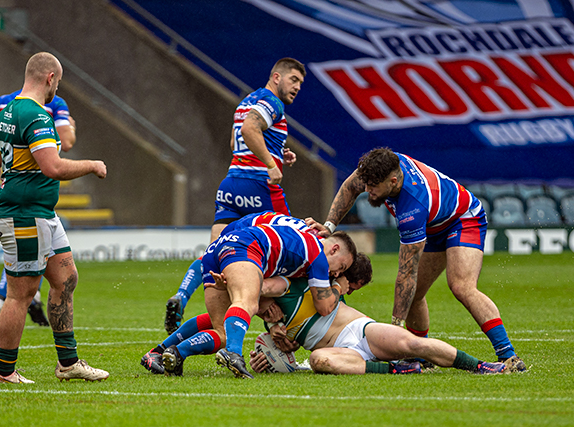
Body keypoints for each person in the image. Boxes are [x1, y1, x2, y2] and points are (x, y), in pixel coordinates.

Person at [309, 147, 525, 372]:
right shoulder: (383, 165)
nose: (367, 190)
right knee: (414, 296)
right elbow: (350, 187)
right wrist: (329, 226)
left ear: (393, 181)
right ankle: (422, 359)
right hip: (433, 223)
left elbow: (406, 273)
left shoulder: (412, 207)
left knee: (461, 286)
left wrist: (394, 328)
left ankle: (508, 355)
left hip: (463, 218)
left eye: (373, 187)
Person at [0, 52, 109, 384]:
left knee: (66, 279)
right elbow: (54, 167)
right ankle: (4, 371)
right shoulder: (36, 115)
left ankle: (68, 363)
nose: (57, 88)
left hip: (40, 214)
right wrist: (92, 165)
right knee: (20, 294)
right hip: (24, 215)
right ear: (50, 78)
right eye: (58, 82)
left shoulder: (6, 112)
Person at [163, 58, 306, 335]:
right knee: (289, 249)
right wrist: (271, 163)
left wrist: (277, 153)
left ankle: (181, 295)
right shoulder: (272, 102)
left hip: (231, 185)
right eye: (293, 80)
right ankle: (282, 327)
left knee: (215, 251)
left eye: (300, 83)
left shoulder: (246, 102)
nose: (297, 87)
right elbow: (249, 130)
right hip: (259, 186)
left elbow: (235, 142)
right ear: (276, 77)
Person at [161, 224, 356, 379]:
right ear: (335, 249)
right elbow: (323, 306)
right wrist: (339, 286)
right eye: (342, 266)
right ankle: (234, 355)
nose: (337, 273)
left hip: (217, 250)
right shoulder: (318, 256)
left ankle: (167, 352)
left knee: (222, 331)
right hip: (246, 246)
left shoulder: (301, 233)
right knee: (247, 303)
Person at [248, 274, 510, 376]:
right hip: (341, 353)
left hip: (360, 330)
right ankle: (395, 369)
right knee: (319, 361)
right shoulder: (270, 318)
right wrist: (264, 358)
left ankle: (481, 366)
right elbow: (287, 352)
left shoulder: (291, 283)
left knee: (414, 343)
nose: (257, 304)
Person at [0, 89, 77, 327]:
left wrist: (5, 152)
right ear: (50, 78)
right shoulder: (54, 105)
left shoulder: (5, 103)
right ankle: (5, 361)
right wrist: (71, 127)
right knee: (22, 287)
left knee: (49, 268)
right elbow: (67, 144)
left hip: (12, 185)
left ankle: (3, 299)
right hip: (33, 195)